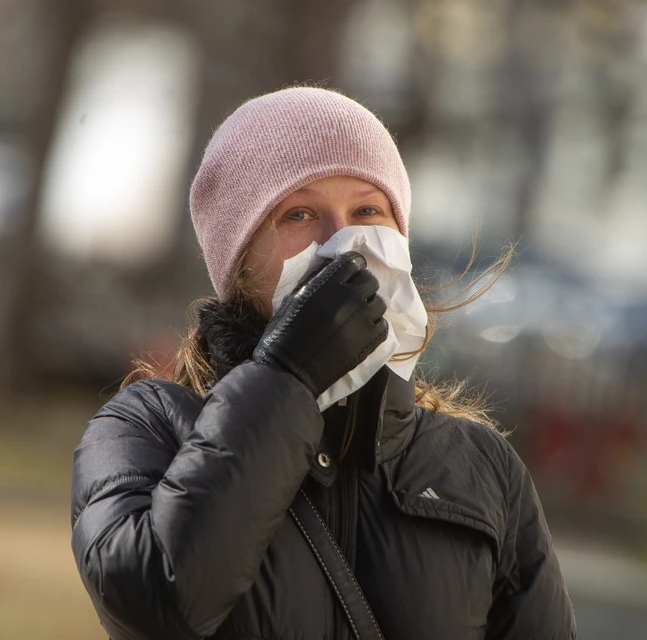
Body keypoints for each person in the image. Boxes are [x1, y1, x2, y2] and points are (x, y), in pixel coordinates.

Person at [70, 87, 576, 640]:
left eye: (367, 210)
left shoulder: (482, 468)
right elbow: (158, 601)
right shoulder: (145, 428)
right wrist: (290, 377)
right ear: (239, 263)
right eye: (300, 213)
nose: (344, 242)